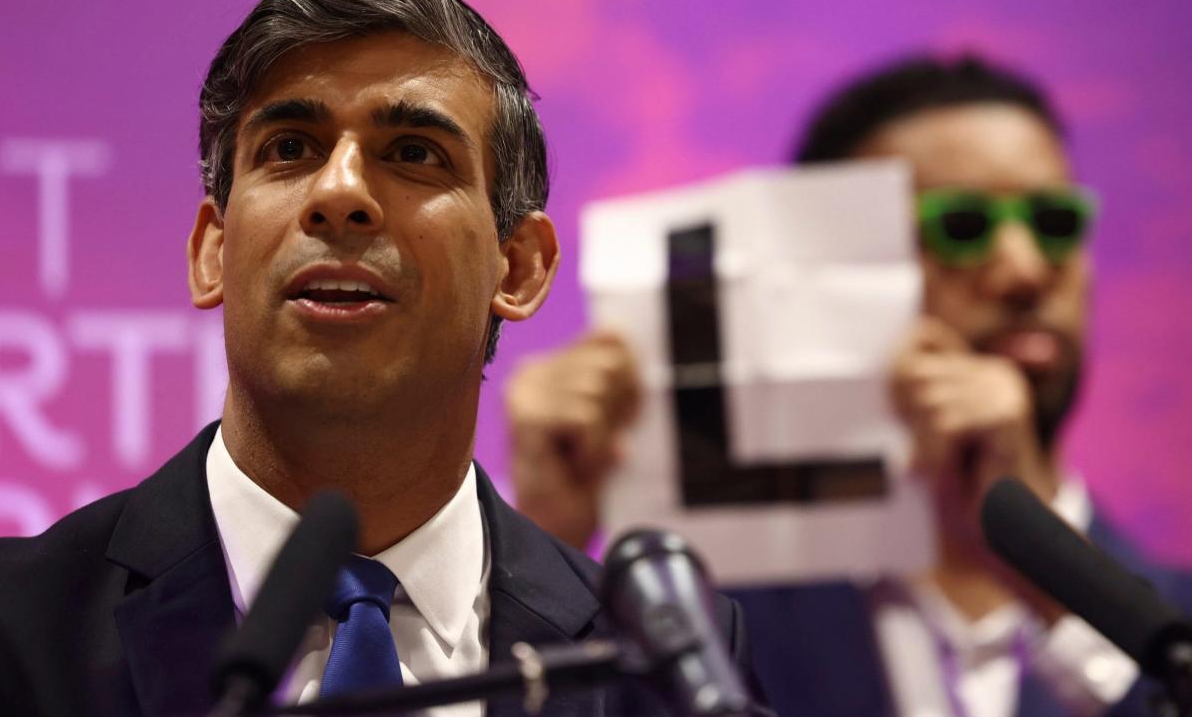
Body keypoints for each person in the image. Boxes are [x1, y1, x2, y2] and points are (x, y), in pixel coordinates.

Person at [0, 0, 755, 717]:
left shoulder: (669, 665)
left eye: (413, 153)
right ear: (213, 254)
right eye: (290, 148)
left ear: (518, 267)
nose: (339, 193)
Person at [506, 56, 1192, 716]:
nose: (1022, 270)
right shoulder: (701, 639)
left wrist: (1049, 569)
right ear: (822, 282)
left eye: (1053, 223)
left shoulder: (1178, 626)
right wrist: (535, 554)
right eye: (958, 226)